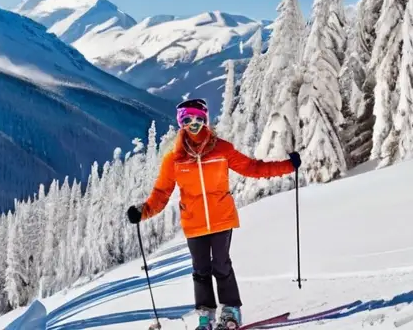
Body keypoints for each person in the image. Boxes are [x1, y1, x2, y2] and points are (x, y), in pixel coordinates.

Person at [126, 98, 301, 329]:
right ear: (181, 123)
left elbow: (252, 168)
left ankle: (230, 311)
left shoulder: (222, 149)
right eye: (188, 119)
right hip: (194, 223)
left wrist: (287, 166)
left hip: (221, 219)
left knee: (221, 265)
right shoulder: (175, 159)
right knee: (200, 269)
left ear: (205, 120)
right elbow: (161, 192)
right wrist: (143, 211)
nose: (194, 124)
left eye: (199, 118)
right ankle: (205, 316)